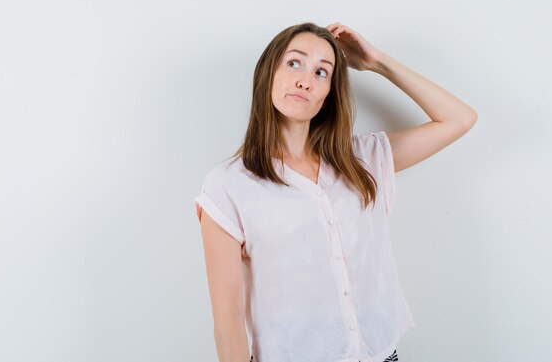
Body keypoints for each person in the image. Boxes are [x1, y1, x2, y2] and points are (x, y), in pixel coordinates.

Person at [194, 21, 477, 362]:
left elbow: (460, 119)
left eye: (322, 72)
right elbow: (227, 319)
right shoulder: (228, 184)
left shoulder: (362, 160)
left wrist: (378, 63)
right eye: (294, 63)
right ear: (269, 72)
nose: (304, 80)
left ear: (329, 94)